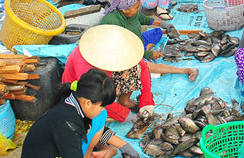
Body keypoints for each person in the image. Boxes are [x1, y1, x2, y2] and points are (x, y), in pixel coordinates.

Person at [63, 25, 197, 122]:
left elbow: (143, 68)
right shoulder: (85, 64)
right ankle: (116, 106)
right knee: (96, 117)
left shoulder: (121, 52)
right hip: (81, 94)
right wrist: (124, 115)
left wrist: (146, 100)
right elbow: (93, 96)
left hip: (105, 81)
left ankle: (124, 100)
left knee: (135, 67)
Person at [102, 0, 170, 60]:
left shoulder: (130, 13)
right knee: (141, 64)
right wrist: (148, 54)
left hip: (137, 41)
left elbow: (143, 18)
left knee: (158, 32)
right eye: (136, 8)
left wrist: (162, 24)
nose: (138, 10)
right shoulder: (114, 23)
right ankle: (142, 53)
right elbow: (124, 47)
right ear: (124, 9)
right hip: (125, 49)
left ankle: (143, 50)